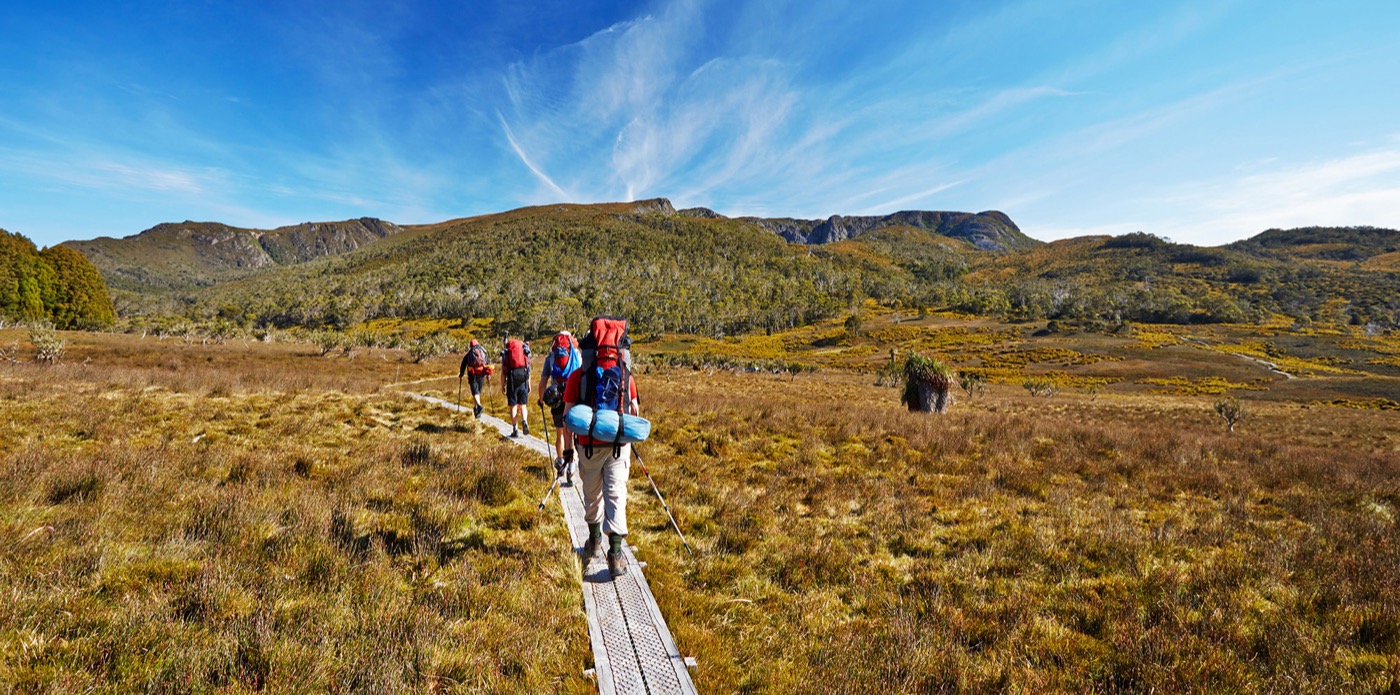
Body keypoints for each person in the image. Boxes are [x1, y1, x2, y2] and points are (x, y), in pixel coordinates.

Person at [564, 318, 639, 577]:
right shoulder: (625, 374)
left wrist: (568, 451)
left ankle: (594, 542)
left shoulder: (578, 376)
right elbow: (635, 410)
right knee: (616, 494)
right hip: (619, 443)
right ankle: (615, 554)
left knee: (592, 494)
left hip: (587, 446)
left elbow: (567, 417)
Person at [538, 330, 581, 485]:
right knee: (572, 434)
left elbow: (542, 383)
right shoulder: (576, 354)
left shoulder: (551, 358)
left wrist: (542, 400)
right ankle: (571, 467)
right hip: (574, 399)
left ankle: (561, 464)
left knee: (560, 434)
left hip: (557, 398)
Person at [501, 336, 531, 437]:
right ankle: (524, 421)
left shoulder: (507, 353)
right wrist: (529, 384)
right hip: (523, 380)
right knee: (523, 405)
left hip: (512, 382)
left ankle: (515, 429)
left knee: (513, 407)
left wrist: (502, 386)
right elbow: (528, 369)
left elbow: (503, 372)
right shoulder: (523, 351)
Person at [458, 339, 493, 418]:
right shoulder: (482, 352)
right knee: (477, 392)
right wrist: (488, 374)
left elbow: (463, 364)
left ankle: (479, 406)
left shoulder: (469, 354)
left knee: (475, 392)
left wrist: (461, 373)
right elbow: (487, 363)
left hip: (472, 374)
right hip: (481, 374)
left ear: (470, 345)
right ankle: (476, 410)